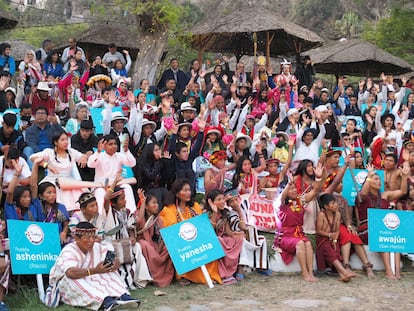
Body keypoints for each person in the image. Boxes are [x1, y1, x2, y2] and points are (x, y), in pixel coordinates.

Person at [48, 222, 140, 311]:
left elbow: (117, 260)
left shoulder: (97, 247)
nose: (91, 241)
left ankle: (121, 296)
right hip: (67, 283)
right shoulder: (69, 250)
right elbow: (70, 273)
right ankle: (105, 302)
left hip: (91, 277)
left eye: (93, 237)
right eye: (87, 238)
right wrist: (94, 271)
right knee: (73, 280)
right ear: (76, 238)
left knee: (109, 270)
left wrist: (114, 265)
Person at [159, 178, 222, 285]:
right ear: (177, 193)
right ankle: (184, 276)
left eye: (189, 190)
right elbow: (171, 232)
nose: (188, 193)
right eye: (185, 190)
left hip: (196, 239)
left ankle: (208, 275)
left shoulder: (194, 207)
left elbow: (206, 228)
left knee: (210, 242)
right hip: (180, 241)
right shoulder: (169, 209)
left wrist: (215, 213)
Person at [356, 162, 409, 280]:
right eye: (375, 179)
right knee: (383, 236)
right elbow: (364, 193)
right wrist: (369, 175)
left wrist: (405, 176)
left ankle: (397, 273)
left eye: (379, 180)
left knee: (394, 238)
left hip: (383, 228)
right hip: (366, 228)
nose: (379, 182)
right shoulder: (362, 196)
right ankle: (389, 271)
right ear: (368, 182)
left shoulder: (385, 195)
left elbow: (403, 192)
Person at [274, 165, 324, 282]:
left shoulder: (299, 200)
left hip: (299, 233)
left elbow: (315, 191)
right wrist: (289, 183)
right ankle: (305, 273)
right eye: (291, 189)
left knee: (307, 243)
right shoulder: (279, 203)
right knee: (301, 243)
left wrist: (318, 178)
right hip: (285, 236)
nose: (294, 190)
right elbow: (282, 196)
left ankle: (311, 273)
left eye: (294, 188)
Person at [102, 179, 153, 289]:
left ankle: (141, 280)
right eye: (122, 199)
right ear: (113, 202)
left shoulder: (126, 211)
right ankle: (119, 282)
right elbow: (106, 198)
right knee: (112, 248)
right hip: (111, 244)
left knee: (138, 246)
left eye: (124, 198)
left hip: (125, 243)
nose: (125, 201)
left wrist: (143, 201)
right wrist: (115, 180)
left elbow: (137, 221)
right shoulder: (108, 211)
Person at [87, 134, 137, 214]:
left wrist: (127, 150)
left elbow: (132, 163)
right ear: (104, 146)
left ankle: (132, 214)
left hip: (116, 185)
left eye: (115, 144)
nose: (113, 146)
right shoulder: (100, 156)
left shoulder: (119, 156)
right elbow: (90, 164)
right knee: (100, 192)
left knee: (127, 188)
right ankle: (100, 217)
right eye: (110, 144)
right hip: (102, 186)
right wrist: (98, 151)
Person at [135, 189, 175, 287]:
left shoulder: (158, 219)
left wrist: (159, 249)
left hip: (156, 246)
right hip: (144, 245)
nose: (157, 205)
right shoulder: (138, 215)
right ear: (147, 207)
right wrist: (143, 201)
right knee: (144, 245)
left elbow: (163, 236)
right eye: (153, 203)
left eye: (157, 203)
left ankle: (166, 277)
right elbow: (139, 222)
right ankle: (153, 277)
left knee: (169, 247)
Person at [316, 194, 357, 282]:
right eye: (332, 203)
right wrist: (329, 235)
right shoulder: (321, 215)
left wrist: (335, 240)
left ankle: (342, 275)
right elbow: (318, 231)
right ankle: (344, 272)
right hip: (323, 240)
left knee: (336, 250)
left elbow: (337, 230)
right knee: (329, 249)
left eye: (335, 203)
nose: (336, 205)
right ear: (326, 206)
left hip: (333, 239)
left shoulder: (337, 214)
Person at [205, 190, 243, 285]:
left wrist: (235, 234)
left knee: (235, 240)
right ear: (211, 202)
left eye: (223, 199)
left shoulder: (225, 213)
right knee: (219, 240)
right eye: (219, 199)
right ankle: (223, 275)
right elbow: (209, 230)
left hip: (222, 238)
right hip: (209, 239)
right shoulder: (206, 213)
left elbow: (227, 231)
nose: (223, 201)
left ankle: (230, 273)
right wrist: (214, 212)